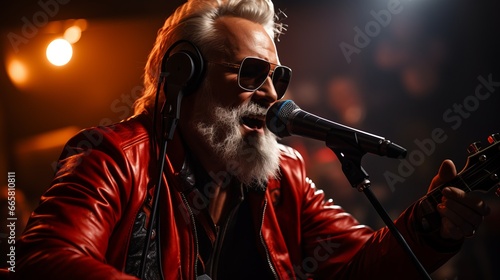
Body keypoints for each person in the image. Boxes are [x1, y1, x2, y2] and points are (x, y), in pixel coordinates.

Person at [14, 0, 491, 279]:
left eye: (277, 77)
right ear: (184, 77)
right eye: (250, 73)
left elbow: (362, 268)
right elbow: (45, 260)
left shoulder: (286, 174)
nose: (269, 93)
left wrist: (432, 227)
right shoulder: (114, 156)